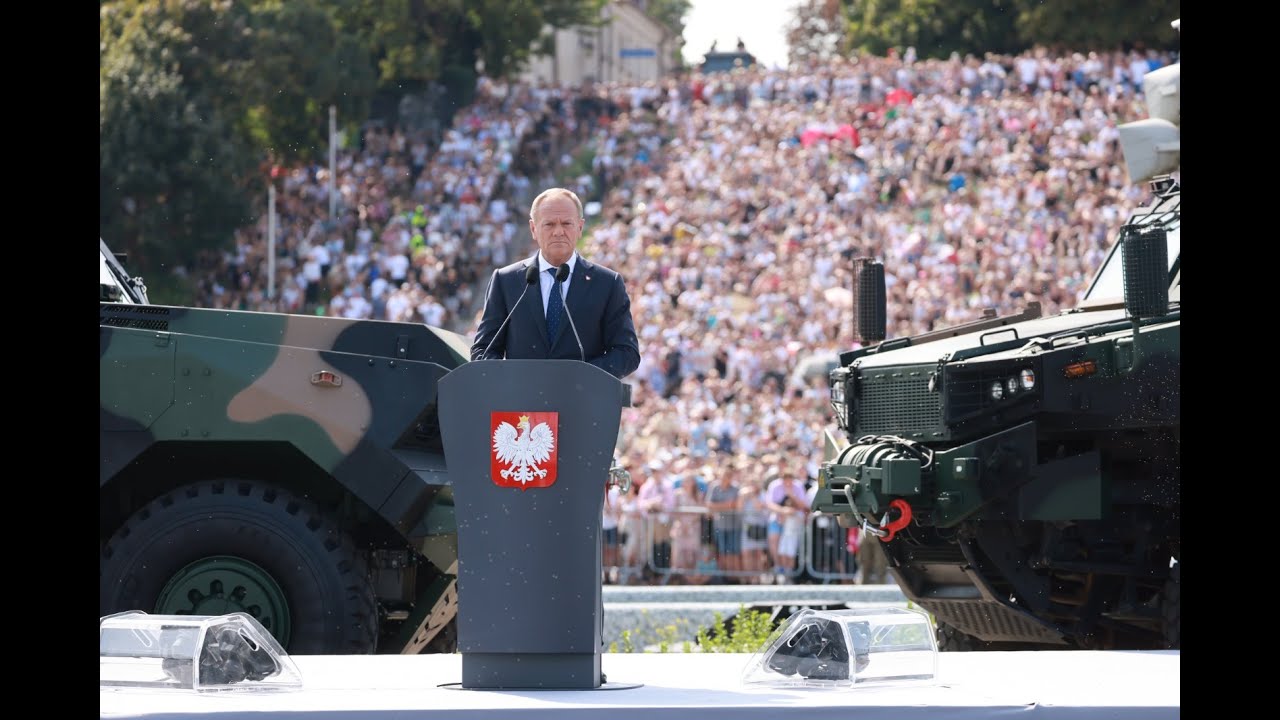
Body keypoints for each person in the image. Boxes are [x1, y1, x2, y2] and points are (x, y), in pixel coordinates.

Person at [470, 187, 641, 380]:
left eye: (566, 223)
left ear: (580, 227)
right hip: (521, 404)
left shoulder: (607, 283)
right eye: (549, 224)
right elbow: (483, 350)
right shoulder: (506, 280)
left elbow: (627, 353)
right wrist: (513, 380)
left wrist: (579, 376)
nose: (558, 232)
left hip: (583, 401)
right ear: (533, 229)